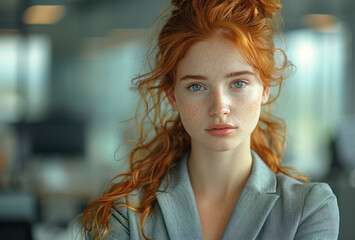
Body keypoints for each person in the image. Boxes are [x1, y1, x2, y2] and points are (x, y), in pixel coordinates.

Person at [81, 0, 340, 239]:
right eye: (196, 86)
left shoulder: (309, 208)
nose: (219, 108)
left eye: (238, 83)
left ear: (265, 88)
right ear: (172, 95)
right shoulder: (126, 213)